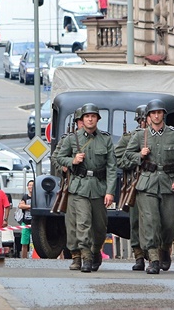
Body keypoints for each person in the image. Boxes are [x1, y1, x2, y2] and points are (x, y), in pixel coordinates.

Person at [124, 99, 174, 274]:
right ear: (148, 116)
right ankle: (153, 259)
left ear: (163, 115)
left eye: (159, 112)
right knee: (150, 222)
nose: (156, 115)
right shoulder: (140, 136)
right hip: (147, 184)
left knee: (169, 223)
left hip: (169, 183)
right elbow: (127, 155)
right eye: (153, 113)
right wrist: (140, 154)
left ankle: (165, 248)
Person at [55, 103, 116, 273]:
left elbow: (111, 167)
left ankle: (96, 252)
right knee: (82, 223)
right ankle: (85, 257)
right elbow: (59, 157)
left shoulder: (105, 139)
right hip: (79, 187)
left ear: (97, 119)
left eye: (93, 116)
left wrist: (110, 191)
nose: (90, 119)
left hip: (99, 187)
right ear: (82, 120)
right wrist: (72, 161)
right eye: (87, 116)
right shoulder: (71, 139)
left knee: (99, 227)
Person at [114, 105, 147, 271]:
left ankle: (159, 251)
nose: (144, 122)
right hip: (136, 184)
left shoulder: (163, 136)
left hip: (156, 185)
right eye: (142, 119)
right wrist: (137, 159)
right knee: (135, 222)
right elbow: (120, 159)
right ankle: (139, 255)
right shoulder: (129, 138)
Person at [51, 107, 83, 176]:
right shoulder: (68, 138)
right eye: (80, 120)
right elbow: (55, 157)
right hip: (72, 178)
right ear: (77, 122)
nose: (83, 123)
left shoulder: (98, 138)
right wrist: (62, 168)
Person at [18, 180, 34, 258]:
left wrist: (26, 206)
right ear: (27, 187)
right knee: (24, 243)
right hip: (25, 223)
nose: (31, 187)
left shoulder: (37, 197)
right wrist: (30, 207)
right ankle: (23, 260)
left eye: (32, 185)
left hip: (35, 224)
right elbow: (20, 206)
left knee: (36, 243)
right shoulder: (25, 196)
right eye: (29, 185)